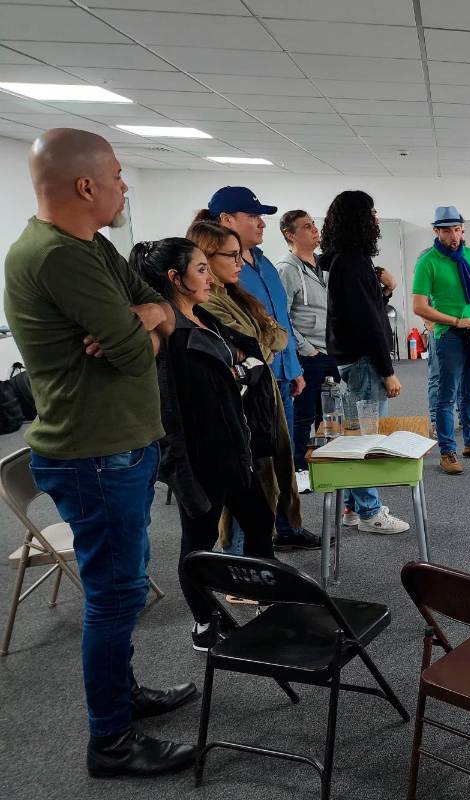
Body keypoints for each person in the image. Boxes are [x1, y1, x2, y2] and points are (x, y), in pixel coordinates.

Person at [3, 128, 195, 778]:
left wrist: (147, 317)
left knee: (124, 586)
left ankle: (123, 695)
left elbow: (163, 311)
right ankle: (110, 739)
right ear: (86, 185)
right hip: (94, 455)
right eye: (116, 174)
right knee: (115, 598)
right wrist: (144, 326)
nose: (124, 184)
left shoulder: (90, 245)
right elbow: (136, 351)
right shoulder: (59, 257)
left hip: (116, 448)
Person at [129, 238, 276, 649]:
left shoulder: (205, 317)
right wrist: (179, 470)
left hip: (233, 449)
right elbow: (169, 413)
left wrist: (241, 372)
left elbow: (249, 358)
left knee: (260, 520)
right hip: (200, 460)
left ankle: (265, 598)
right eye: (201, 269)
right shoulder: (170, 336)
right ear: (175, 278)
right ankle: (205, 625)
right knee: (197, 545)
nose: (210, 277)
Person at [187, 221, 317, 555]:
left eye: (239, 255)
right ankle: (239, 564)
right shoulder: (208, 303)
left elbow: (278, 334)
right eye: (230, 256)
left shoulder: (238, 293)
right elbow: (250, 346)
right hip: (238, 407)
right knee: (247, 488)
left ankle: (265, 550)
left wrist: (260, 346)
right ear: (206, 258)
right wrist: (259, 344)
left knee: (267, 479)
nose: (239, 263)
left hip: (262, 393)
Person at [320, 190, 410, 533]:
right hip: (363, 364)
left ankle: (353, 508)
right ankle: (370, 513)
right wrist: (388, 372)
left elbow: (366, 309)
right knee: (364, 440)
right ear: (360, 219)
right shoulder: (353, 263)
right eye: (371, 213)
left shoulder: (342, 260)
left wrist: (385, 290)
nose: (376, 219)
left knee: (355, 433)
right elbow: (369, 324)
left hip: (352, 360)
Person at [412, 205, 470, 474]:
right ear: (436, 231)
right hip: (450, 334)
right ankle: (447, 451)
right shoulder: (428, 261)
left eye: (457, 229)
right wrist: (456, 321)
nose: (454, 236)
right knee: (447, 395)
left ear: (462, 229)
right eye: (447, 231)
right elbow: (419, 306)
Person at [276, 209, 341, 493]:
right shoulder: (286, 269)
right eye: (306, 226)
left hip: (330, 348)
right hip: (308, 352)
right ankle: (298, 467)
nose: (315, 230)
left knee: (327, 411)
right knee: (303, 413)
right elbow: (282, 317)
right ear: (290, 235)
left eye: (314, 224)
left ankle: (324, 460)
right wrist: (306, 348)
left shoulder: (322, 263)